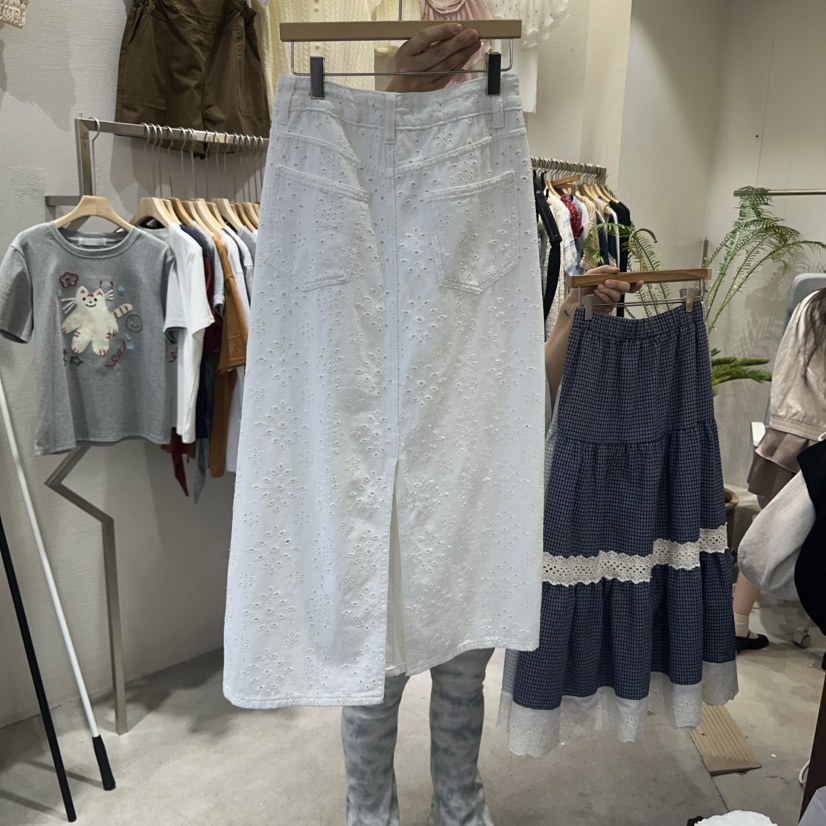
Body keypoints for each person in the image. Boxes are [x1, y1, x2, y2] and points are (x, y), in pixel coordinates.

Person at [340, 24, 644, 825]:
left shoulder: (504, 236)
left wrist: (574, 314)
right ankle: (369, 813)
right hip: (386, 501)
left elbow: (520, 392)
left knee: (460, 680)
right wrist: (400, 99)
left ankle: (460, 805)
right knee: (373, 683)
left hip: (471, 501)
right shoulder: (371, 233)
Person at [734, 287, 826, 653]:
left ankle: (737, 622)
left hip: (792, 433)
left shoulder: (812, 303)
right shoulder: (814, 304)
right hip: (811, 438)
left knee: (770, 529)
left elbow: (789, 365)